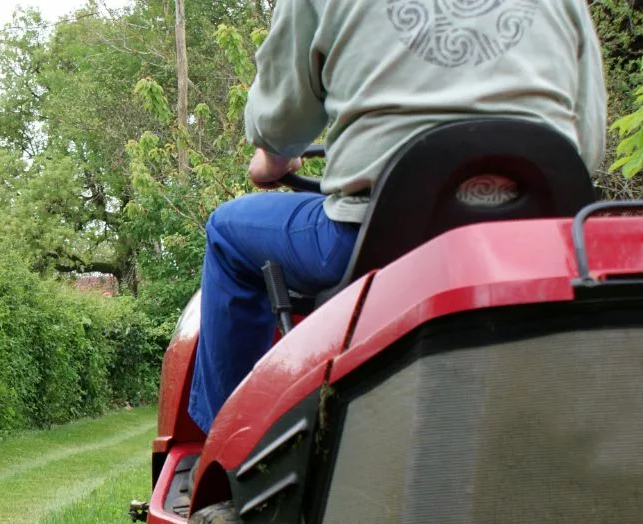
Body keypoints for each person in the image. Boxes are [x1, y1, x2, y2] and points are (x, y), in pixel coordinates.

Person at [189, 0, 608, 434]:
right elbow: (587, 147)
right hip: (528, 244)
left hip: (373, 240)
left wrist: (272, 163)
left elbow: (278, 122)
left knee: (226, 231)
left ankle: (230, 450)